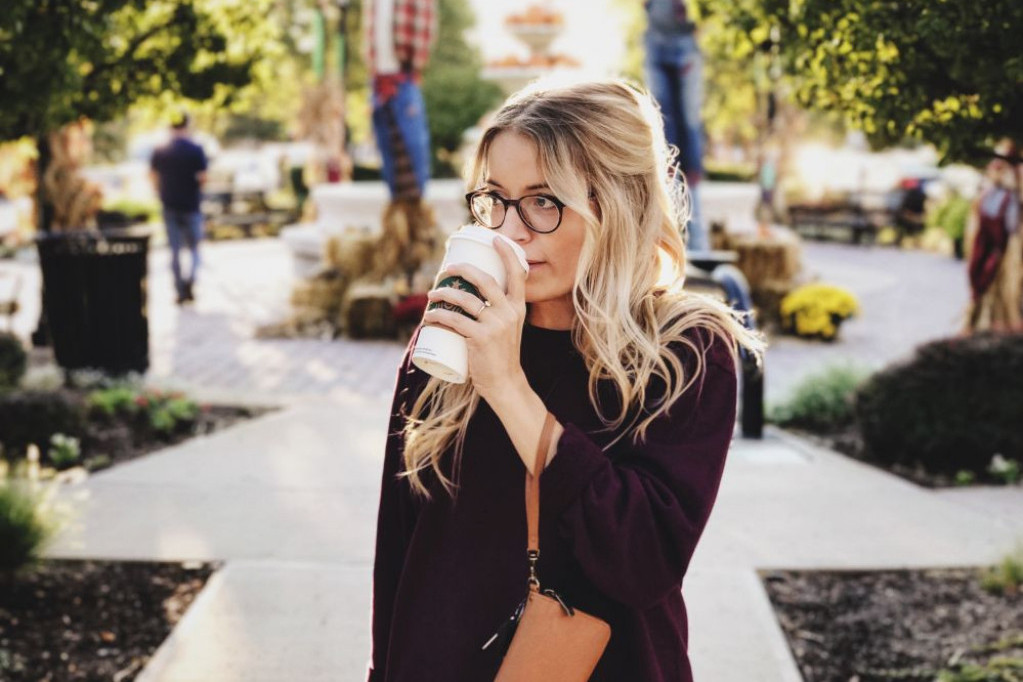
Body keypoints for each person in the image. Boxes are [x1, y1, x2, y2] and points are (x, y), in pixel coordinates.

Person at [368, 79, 765, 682]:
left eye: (543, 201)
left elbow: (642, 561)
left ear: (618, 205)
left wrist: (508, 388)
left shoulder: (683, 351)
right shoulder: (456, 333)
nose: (511, 231)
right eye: (495, 199)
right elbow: (398, 552)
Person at [644, 0, 709, 252]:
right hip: (656, 41)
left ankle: (697, 239)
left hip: (684, 43)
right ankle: (669, 238)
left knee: (689, 121)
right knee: (662, 121)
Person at [150, 112, 208, 305]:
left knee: (174, 251)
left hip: (169, 205)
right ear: (187, 125)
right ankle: (191, 281)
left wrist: (160, 192)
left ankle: (179, 289)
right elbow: (203, 178)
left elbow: (152, 175)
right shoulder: (195, 149)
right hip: (191, 205)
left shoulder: (161, 150)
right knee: (194, 248)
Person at [965, 140, 1022, 333]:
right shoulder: (988, 194)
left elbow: (1012, 229)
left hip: (1003, 256)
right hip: (987, 252)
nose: (996, 167)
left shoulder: (1011, 196)